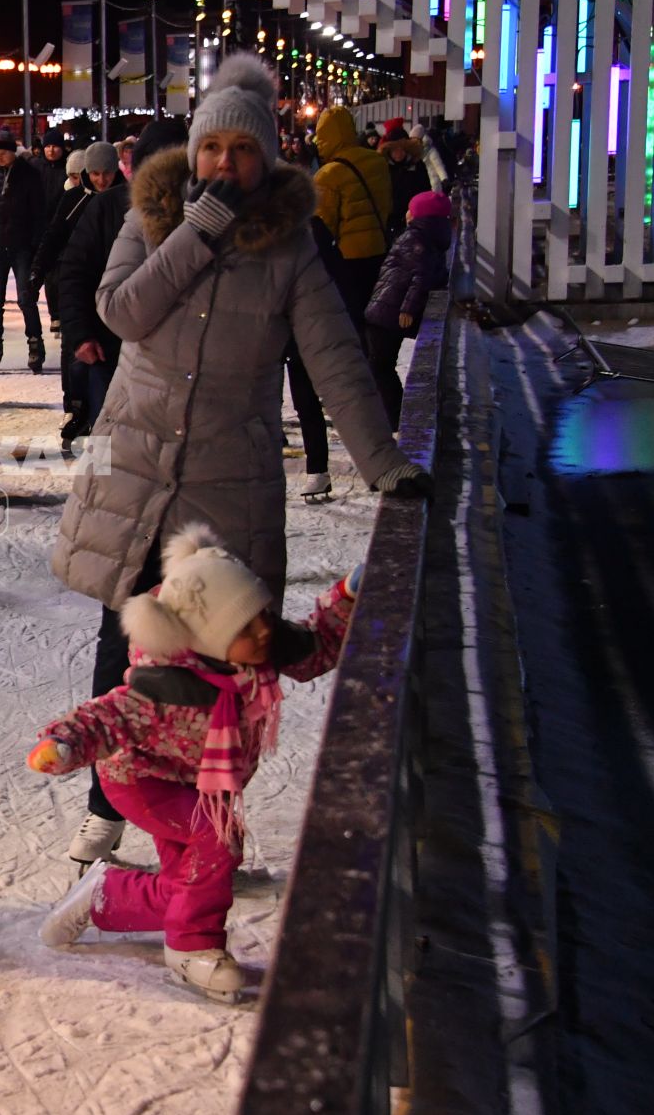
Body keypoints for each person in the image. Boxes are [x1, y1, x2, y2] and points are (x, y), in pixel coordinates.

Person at [50, 53, 428, 864]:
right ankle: (103, 811)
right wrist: (196, 233)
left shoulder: (291, 248)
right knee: (126, 644)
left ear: (265, 160)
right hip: (139, 468)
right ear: (193, 153)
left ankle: (197, 843)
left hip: (226, 482)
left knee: (218, 666)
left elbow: (334, 360)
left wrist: (381, 460)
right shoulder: (149, 215)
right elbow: (122, 311)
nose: (226, 163)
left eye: (243, 151)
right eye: (213, 148)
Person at [31, 527, 363, 1001]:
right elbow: (105, 717)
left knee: (193, 881)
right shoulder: (164, 686)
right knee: (219, 839)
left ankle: (108, 894)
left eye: (261, 614)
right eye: (243, 628)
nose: (263, 630)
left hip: (197, 780)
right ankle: (192, 948)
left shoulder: (256, 653)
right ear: (207, 639)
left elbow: (316, 652)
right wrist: (62, 743)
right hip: (144, 781)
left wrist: (347, 596)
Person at [55, 119, 188, 452]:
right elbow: (74, 271)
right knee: (110, 452)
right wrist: (80, 334)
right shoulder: (108, 207)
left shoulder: (199, 214)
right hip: (109, 347)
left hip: (180, 358)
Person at [39, 140, 123, 437]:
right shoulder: (74, 198)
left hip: (113, 295)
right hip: (80, 290)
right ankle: (75, 408)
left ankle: (102, 424)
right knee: (75, 357)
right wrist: (38, 270)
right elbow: (55, 235)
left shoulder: (126, 199)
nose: (102, 180)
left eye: (108, 173)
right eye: (96, 173)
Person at [363, 190, 453, 422]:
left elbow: (419, 277)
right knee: (381, 364)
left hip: (388, 310)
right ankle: (391, 413)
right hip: (392, 307)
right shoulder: (434, 238)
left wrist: (407, 309)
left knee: (379, 365)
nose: (406, 213)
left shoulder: (414, 239)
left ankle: (393, 416)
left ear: (420, 215)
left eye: (411, 210)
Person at [311, 106, 394, 330]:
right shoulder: (378, 163)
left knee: (351, 323)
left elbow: (321, 227)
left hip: (347, 261)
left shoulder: (328, 175)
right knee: (376, 320)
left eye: (321, 137)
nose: (317, 143)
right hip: (379, 251)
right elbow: (387, 205)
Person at [0, 133, 50, 374]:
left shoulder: (29, 176)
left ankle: (35, 344)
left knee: (25, 297)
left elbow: (38, 213)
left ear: (12, 152)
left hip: (21, 245)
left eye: (3, 154)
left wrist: (35, 245)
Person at [378, 128, 432, 242]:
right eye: (394, 149)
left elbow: (425, 192)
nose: (398, 153)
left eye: (401, 149)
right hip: (390, 220)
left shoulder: (417, 166)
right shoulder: (383, 168)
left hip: (413, 218)